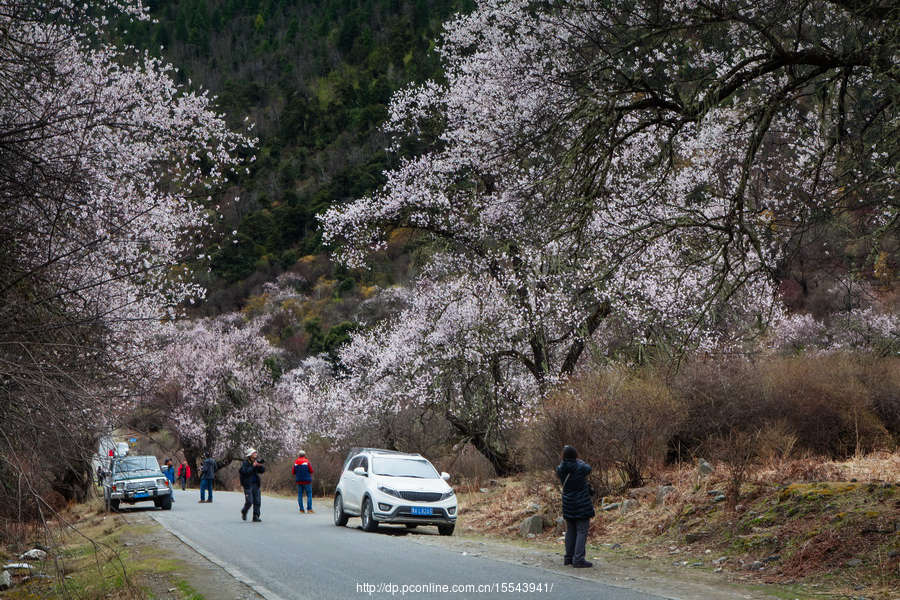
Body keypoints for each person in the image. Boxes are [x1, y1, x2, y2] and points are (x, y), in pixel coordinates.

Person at [556, 445, 595, 568]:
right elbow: (588, 468)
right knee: (582, 531)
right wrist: (579, 461)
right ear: (575, 456)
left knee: (570, 531)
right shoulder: (580, 467)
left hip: (568, 503)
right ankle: (578, 559)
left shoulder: (560, 469)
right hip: (582, 503)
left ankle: (568, 558)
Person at [239, 448, 266, 522]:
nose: (255, 454)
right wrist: (253, 466)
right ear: (250, 455)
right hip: (248, 484)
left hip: (256, 484)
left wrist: (260, 466)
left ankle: (256, 516)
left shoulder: (256, 461)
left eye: (255, 452)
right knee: (249, 501)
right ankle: (244, 511)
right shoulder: (245, 463)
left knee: (257, 501)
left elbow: (262, 471)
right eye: (254, 453)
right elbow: (245, 472)